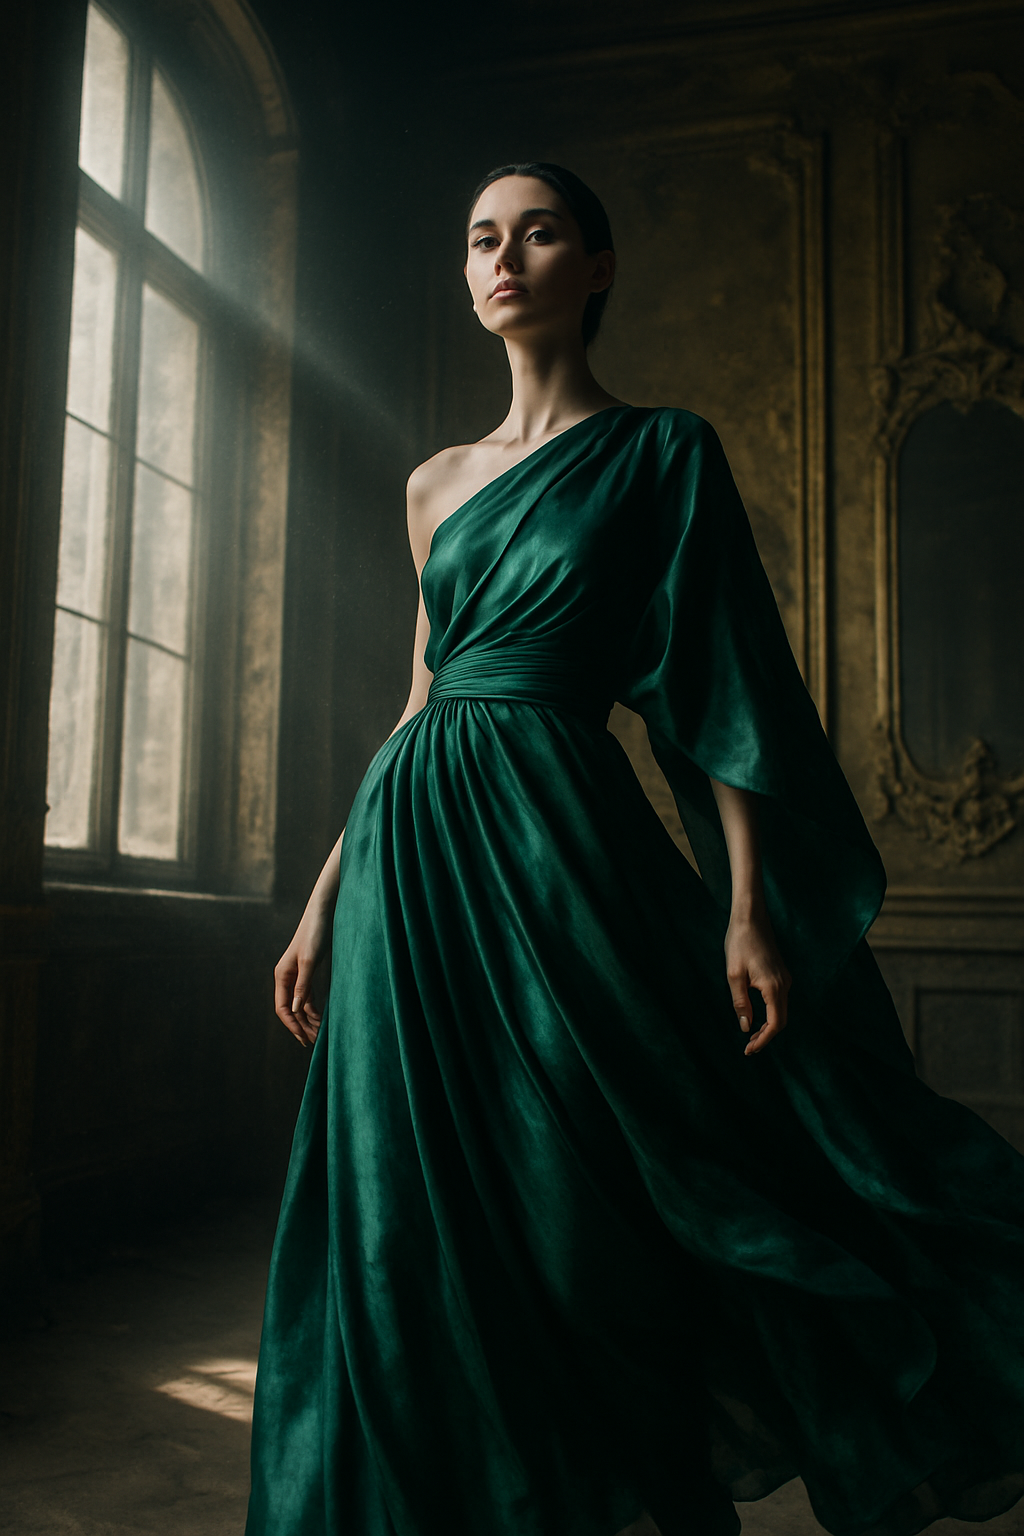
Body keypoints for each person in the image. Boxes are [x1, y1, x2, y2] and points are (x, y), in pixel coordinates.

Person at [245, 163, 1024, 1536]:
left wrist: (748, 906)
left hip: (557, 846)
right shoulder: (432, 483)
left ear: (594, 267)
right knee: (406, 1201)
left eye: (537, 233)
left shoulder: (665, 451)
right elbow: (414, 705)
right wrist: (324, 900)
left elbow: (724, 689)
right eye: (482, 237)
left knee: (585, 1198)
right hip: (414, 857)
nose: (504, 257)